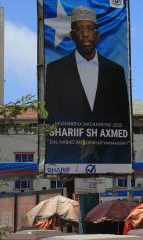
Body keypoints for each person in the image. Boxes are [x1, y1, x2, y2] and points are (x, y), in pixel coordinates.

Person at [44, 6, 130, 163]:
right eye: (79, 29)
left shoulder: (115, 71)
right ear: (72, 35)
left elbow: (123, 119)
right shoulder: (56, 70)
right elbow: (51, 119)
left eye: (89, 29)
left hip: (109, 155)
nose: (85, 34)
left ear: (97, 35)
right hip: (66, 156)